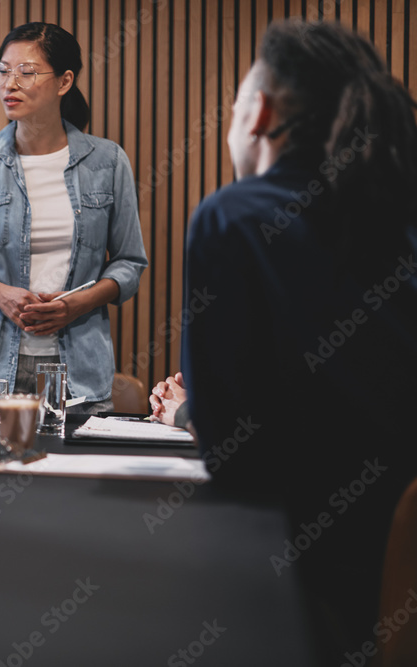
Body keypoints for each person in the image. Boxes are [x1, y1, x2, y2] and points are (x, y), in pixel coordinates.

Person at [157, 20, 417, 660]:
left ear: (260, 113)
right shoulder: (396, 212)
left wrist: (190, 411)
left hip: (310, 584)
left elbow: (237, 457)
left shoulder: (232, 216)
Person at [0, 22, 147, 412]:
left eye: (26, 72)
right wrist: (0, 294)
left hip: (80, 369)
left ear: (64, 82)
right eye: (3, 71)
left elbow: (130, 263)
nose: (9, 84)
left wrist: (78, 303)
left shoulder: (108, 161)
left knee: (74, 473)